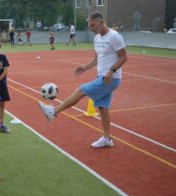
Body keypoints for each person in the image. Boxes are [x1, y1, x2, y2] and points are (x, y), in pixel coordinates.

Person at [39, 12, 128, 148]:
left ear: (101, 22)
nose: (90, 28)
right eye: (89, 25)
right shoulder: (97, 38)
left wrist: (111, 71)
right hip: (102, 77)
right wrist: (84, 68)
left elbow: (124, 57)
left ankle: (54, 111)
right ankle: (107, 139)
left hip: (111, 79)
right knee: (103, 108)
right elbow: (97, 58)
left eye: (92, 25)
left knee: (81, 90)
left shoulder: (115, 37)